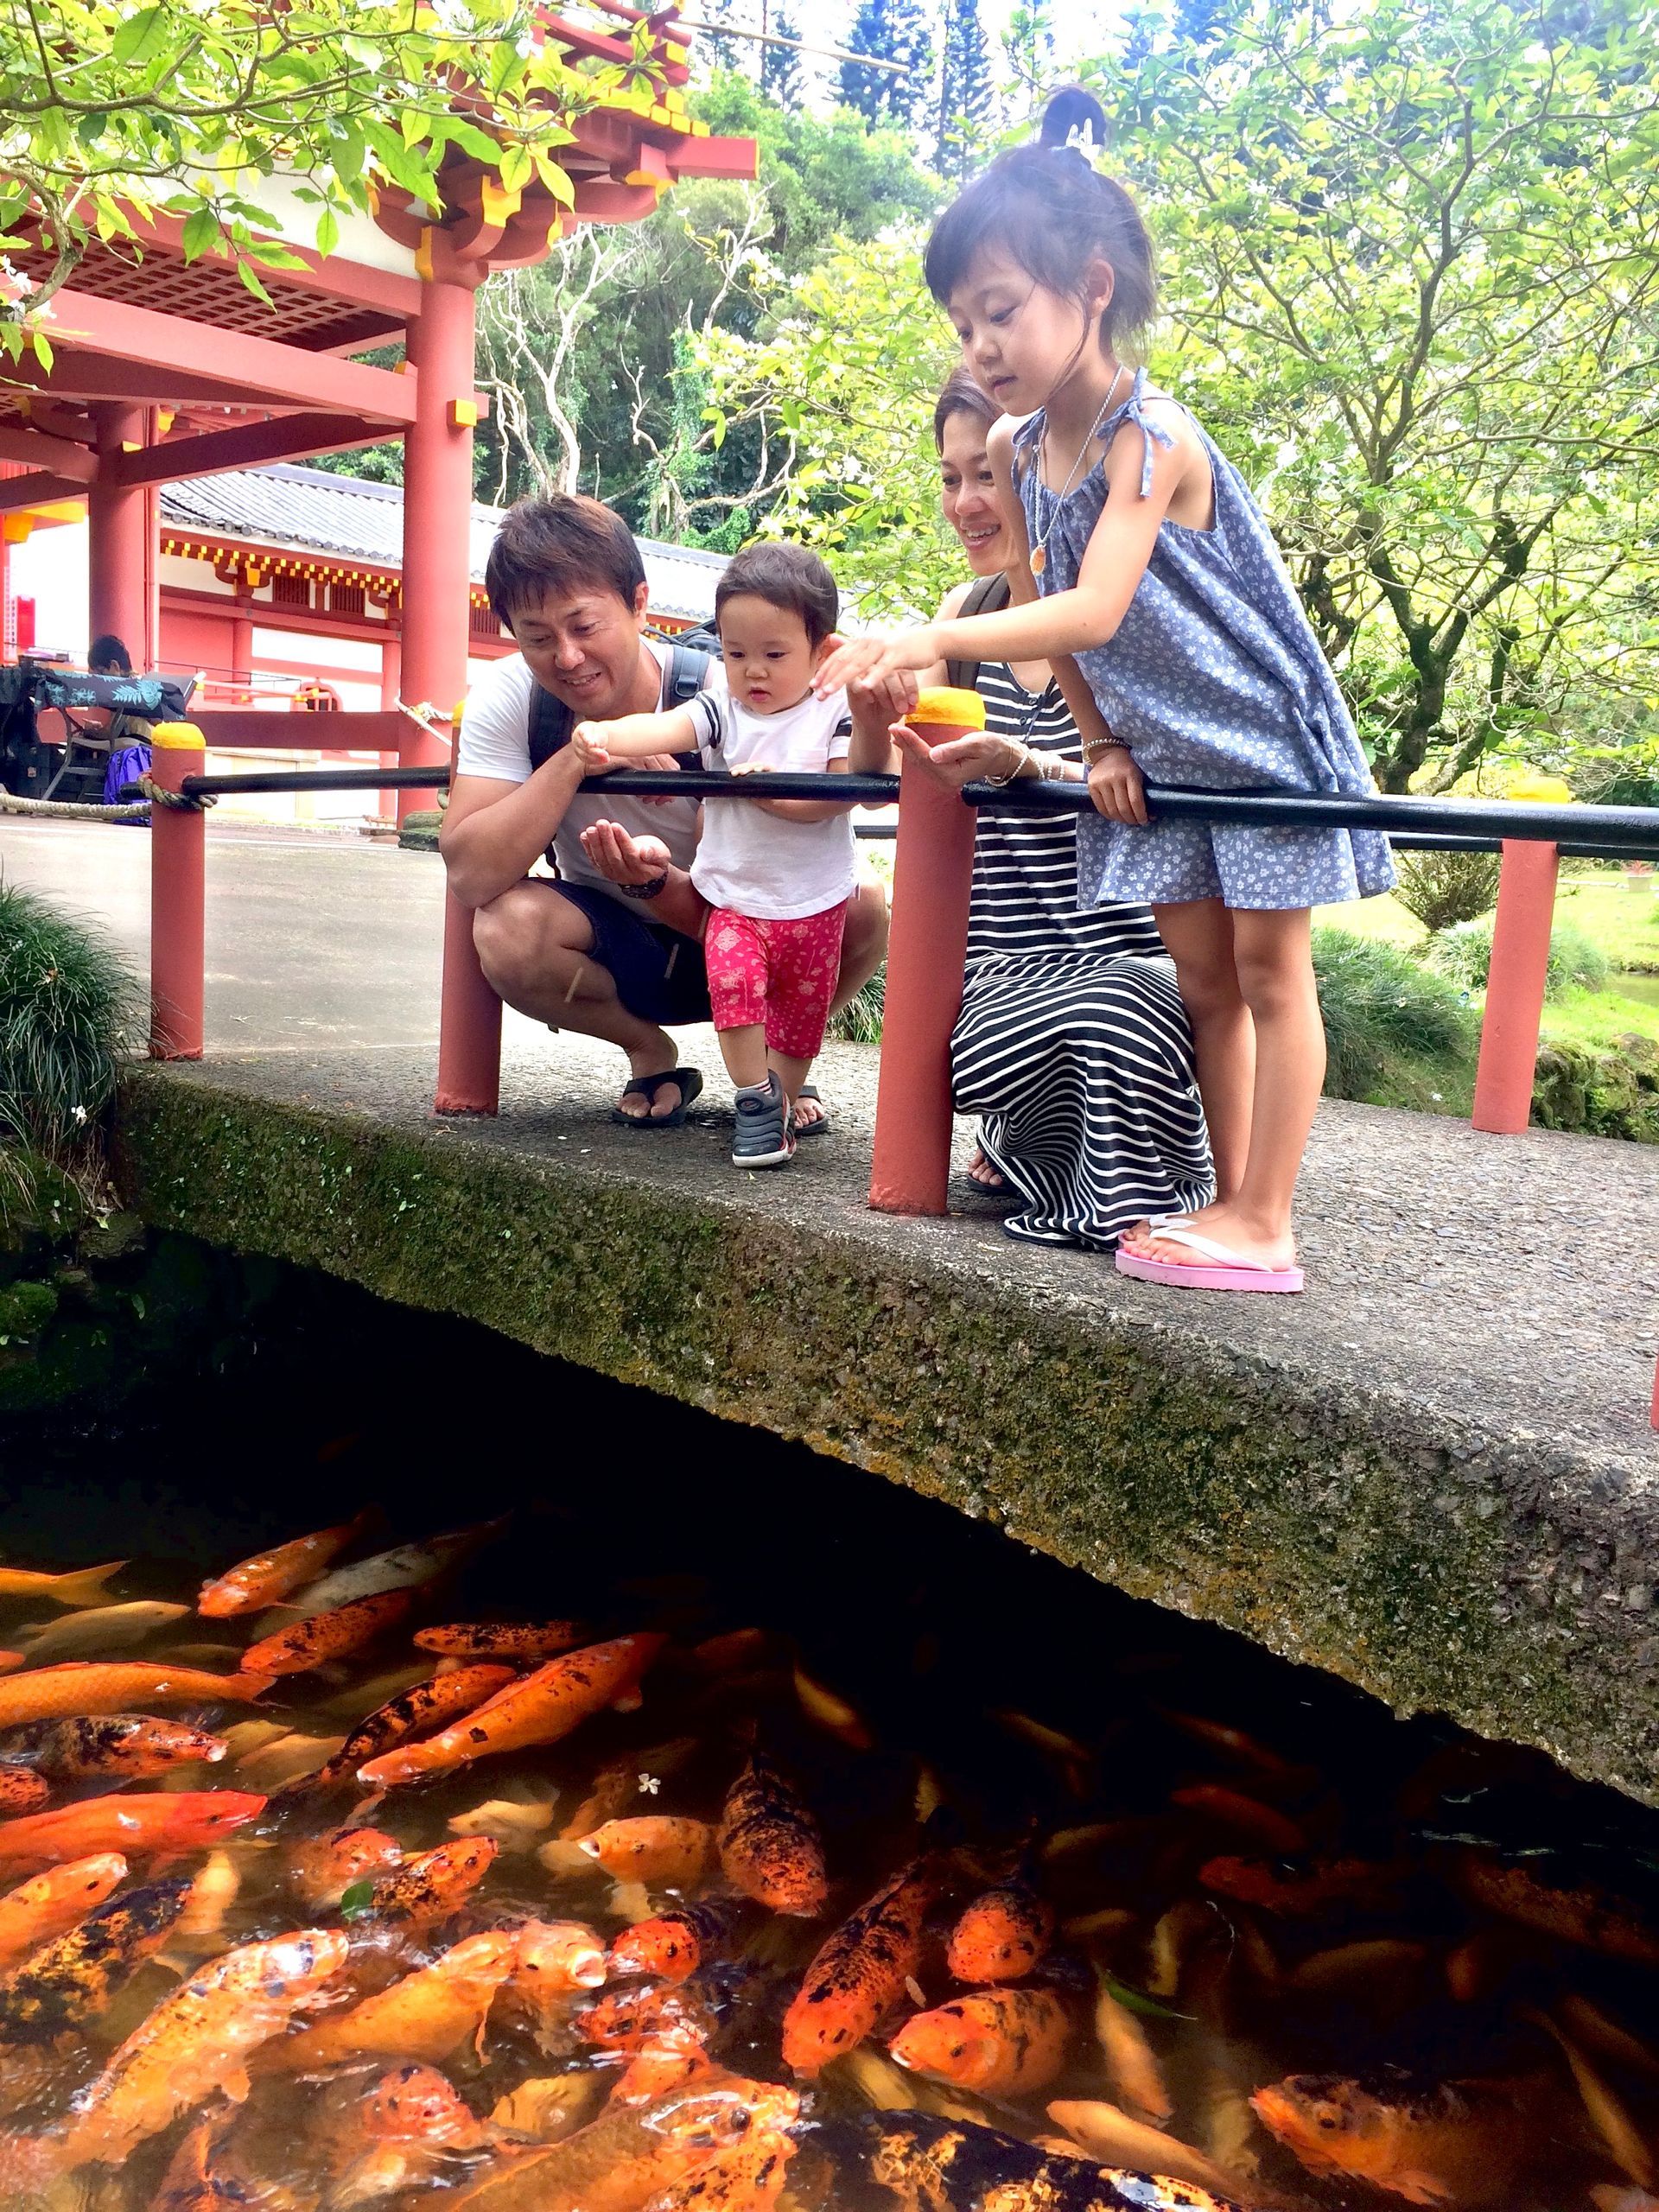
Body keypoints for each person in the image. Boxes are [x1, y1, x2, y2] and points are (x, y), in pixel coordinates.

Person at [819, 89, 1395, 1294]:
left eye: (1000, 311)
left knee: (1272, 975)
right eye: (963, 322)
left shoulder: (1152, 437)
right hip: (1157, 750)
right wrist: (1099, 743)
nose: (980, 346)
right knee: (1200, 982)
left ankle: (1266, 1219)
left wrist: (922, 634)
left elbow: (1097, 606)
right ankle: (1227, 1206)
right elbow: (1062, 621)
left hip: (1257, 740)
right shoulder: (1026, 453)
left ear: (1089, 288)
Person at [849, 369, 1211, 1245]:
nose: (970, 500)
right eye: (952, 476)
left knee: (1124, 1005)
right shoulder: (961, 616)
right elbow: (906, 771)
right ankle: (1043, 1150)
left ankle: (1083, 1180)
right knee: (1001, 1038)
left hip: (1135, 959)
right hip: (998, 974)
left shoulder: (1117, 615)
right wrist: (872, 714)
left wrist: (1023, 761)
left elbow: (1166, 787)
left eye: (991, 472)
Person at [441, 495, 887, 1132]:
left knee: (862, 900)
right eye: (538, 637)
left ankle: (778, 1062)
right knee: (506, 928)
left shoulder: (726, 689)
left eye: (584, 626)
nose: (566, 657)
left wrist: (661, 866)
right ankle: (649, 1050)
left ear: (640, 604)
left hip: (734, 920)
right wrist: (576, 761)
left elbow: (805, 821)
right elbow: (472, 875)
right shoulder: (509, 697)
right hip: (612, 950)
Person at [574, 542, 856, 1170]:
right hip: (733, 895)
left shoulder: (835, 710)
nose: (753, 671)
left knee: (800, 1016)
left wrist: (766, 790)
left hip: (815, 900)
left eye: (775, 655)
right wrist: (604, 737)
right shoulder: (723, 709)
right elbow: (667, 728)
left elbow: (835, 797)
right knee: (732, 984)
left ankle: (779, 1103)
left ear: (823, 652)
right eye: (735, 654)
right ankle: (754, 1101)